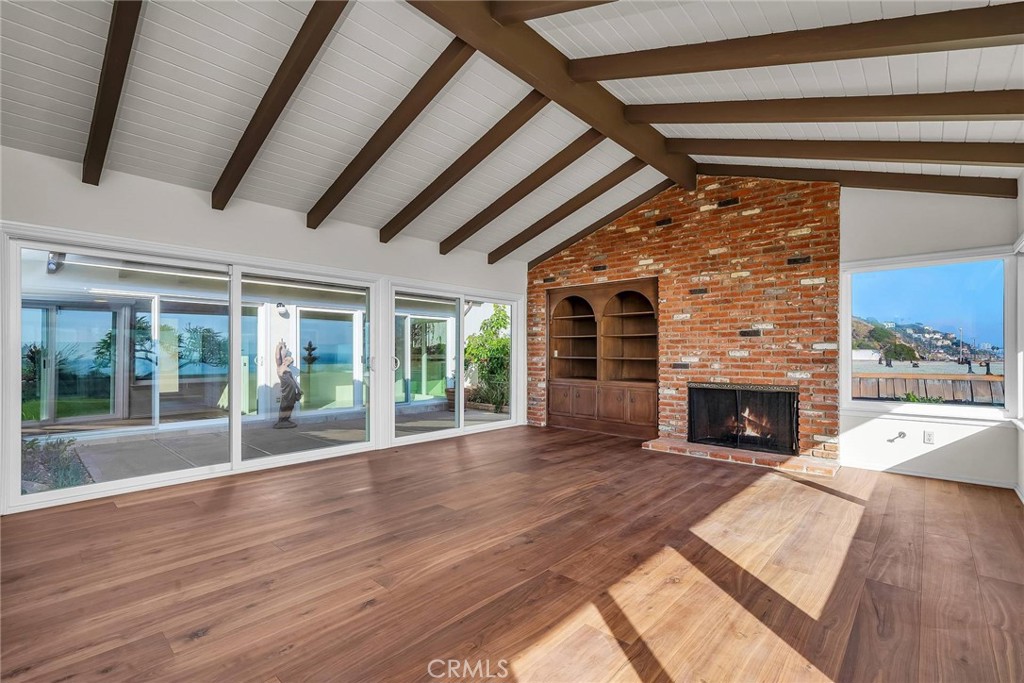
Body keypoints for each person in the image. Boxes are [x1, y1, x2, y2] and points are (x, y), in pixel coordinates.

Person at [275, 340, 302, 429]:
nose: (288, 363)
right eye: (287, 361)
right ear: (284, 360)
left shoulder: (287, 368)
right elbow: (278, 357)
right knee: (285, 404)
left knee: (290, 404)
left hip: (292, 390)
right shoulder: (280, 367)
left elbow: (293, 380)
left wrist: (299, 389)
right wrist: (280, 346)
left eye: (290, 362)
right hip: (286, 390)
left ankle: (286, 419)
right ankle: (282, 421)